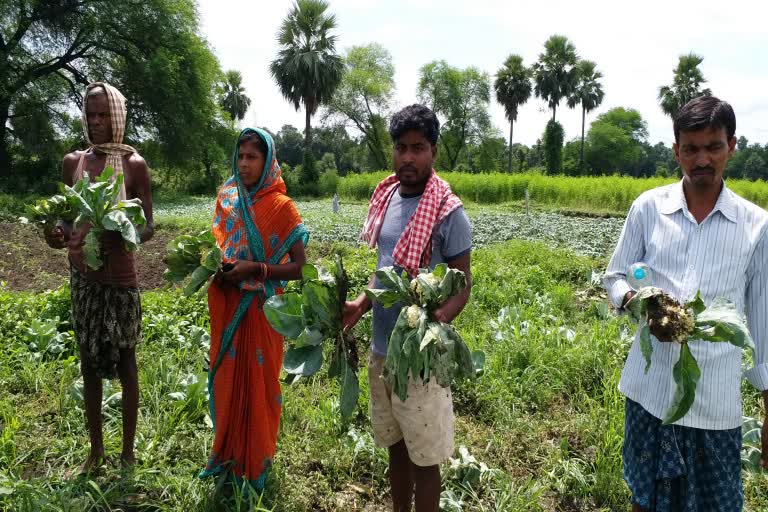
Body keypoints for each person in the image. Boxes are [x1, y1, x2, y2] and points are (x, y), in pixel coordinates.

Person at [603, 96, 768, 511]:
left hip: (713, 404)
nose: (702, 159)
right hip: (650, 393)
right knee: (646, 499)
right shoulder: (648, 208)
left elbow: (763, 322)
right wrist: (638, 301)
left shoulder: (756, 226)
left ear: (732, 145)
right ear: (676, 150)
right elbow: (614, 276)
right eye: (691, 149)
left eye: (713, 146)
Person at [343, 104, 472, 512]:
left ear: (433, 151)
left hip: (421, 360)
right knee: (395, 450)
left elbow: (462, 286)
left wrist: (436, 322)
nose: (408, 157)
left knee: (425, 458)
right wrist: (361, 305)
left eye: (418, 147)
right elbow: (382, 273)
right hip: (383, 351)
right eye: (401, 147)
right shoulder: (386, 197)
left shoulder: (448, 210)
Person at [44, 82, 154, 471]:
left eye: (104, 114)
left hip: (120, 279)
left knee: (126, 362)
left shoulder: (134, 165)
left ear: (118, 116)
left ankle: (127, 452)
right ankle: (96, 451)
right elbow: (64, 214)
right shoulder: (73, 161)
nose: (96, 122)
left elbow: (149, 226)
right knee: (89, 363)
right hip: (83, 278)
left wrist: (121, 234)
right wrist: (56, 231)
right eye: (91, 114)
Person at [200, 127, 308, 495]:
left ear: (267, 162)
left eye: (253, 157)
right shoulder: (227, 198)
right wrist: (219, 270)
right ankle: (228, 458)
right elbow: (220, 247)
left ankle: (255, 467)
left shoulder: (281, 207)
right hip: (230, 306)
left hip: (262, 311)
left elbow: (299, 268)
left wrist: (255, 270)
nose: (244, 164)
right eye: (241, 156)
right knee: (230, 382)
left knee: (259, 388)